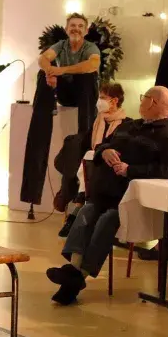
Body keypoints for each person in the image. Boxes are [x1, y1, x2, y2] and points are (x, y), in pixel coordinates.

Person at [47, 86, 168, 304]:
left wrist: (131, 170)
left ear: (154, 103)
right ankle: (73, 272)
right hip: (106, 192)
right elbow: (102, 145)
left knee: (106, 221)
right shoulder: (130, 125)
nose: (140, 101)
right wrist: (105, 151)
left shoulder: (167, 135)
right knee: (85, 214)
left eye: (144, 97)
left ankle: (75, 278)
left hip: (130, 200)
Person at [58, 82, 130, 237]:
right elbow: (86, 144)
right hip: (91, 166)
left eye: (103, 97)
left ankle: (75, 213)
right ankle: (77, 212)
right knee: (85, 158)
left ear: (114, 101)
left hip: (109, 168)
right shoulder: (98, 121)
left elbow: (116, 147)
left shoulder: (126, 123)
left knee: (88, 160)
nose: (99, 101)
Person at [37, 13, 101, 134]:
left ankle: (84, 137)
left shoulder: (91, 47)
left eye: (80, 26)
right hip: (65, 93)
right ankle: (40, 132)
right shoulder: (61, 45)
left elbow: (93, 64)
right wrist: (49, 73)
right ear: (66, 29)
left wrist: (61, 70)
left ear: (86, 31)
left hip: (84, 96)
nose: (76, 29)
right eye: (72, 25)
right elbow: (43, 58)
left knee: (88, 76)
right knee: (42, 74)